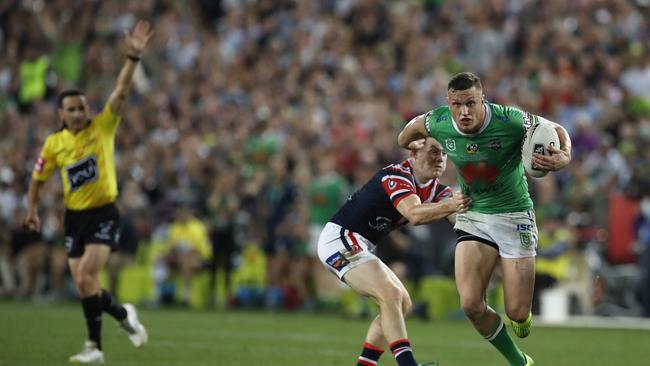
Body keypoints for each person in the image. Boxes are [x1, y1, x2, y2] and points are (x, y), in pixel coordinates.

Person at [397, 72, 572, 366]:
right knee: (470, 304)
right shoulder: (436, 121)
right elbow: (406, 133)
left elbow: (555, 128)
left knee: (516, 311)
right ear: (448, 103)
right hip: (473, 214)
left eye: (470, 103)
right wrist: (413, 144)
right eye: (457, 104)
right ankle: (520, 362)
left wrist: (564, 156)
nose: (464, 112)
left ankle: (521, 314)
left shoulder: (509, 120)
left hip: (515, 216)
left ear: (483, 100)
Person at [24, 20, 153, 364]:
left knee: (85, 277)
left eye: (82, 107)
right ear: (61, 114)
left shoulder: (102, 127)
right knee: (86, 287)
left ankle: (94, 348)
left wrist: (132, 59)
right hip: (74, 218)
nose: (80, 113)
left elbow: (121, 91)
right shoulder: (54, 144)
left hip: (103, 213)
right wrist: (32, 210)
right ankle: (125, 317)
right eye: (73, 109)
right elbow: (37, 179)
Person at [318, 137, 471, 366]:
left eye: (443, 154)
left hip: (361, 244)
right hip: (340, 240)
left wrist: (485, 230)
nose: (439, 158)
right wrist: (452, 204)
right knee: (391, 294)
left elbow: (460, 221)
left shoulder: (437, 190)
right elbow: (415, 214)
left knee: (401, 303)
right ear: (414, 154)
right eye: (433, 152)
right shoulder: (397, 176)